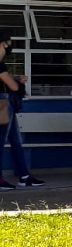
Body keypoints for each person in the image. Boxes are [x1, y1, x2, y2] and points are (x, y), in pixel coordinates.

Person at [0, 31, 44, 190]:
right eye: (9, 42)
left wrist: (16, 79)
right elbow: (12, 86)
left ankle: (24, 176)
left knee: (15, 141)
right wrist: (19, 84)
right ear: (2, 43)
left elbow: (7, 80)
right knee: (2, 141)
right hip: (3, 105)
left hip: (5, 104)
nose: (10, 46)